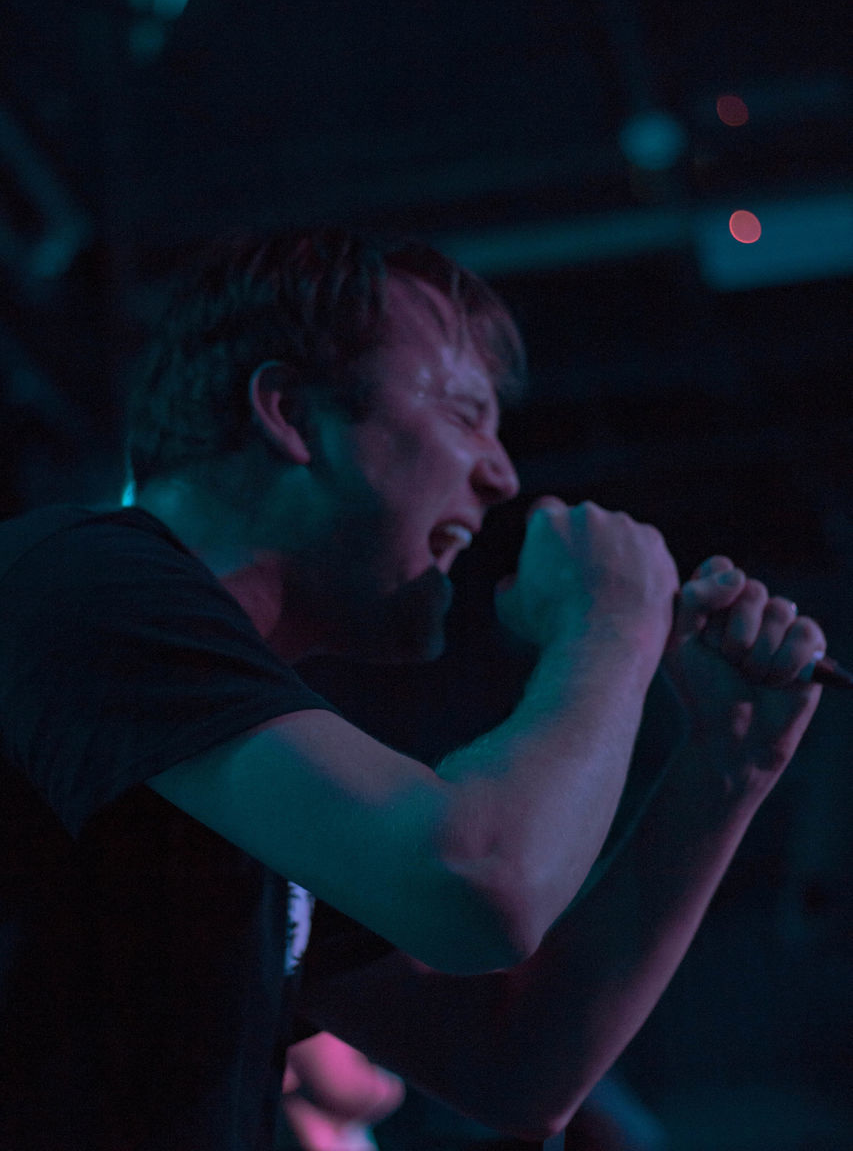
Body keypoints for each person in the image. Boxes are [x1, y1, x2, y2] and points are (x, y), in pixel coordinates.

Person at [0, 230, 827, 1150]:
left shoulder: (228, 760)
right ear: (288, 412)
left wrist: (726, 760)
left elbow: (514, 1064)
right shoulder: (80, 584)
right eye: (465, 414)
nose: (502, 474)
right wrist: (611, 623)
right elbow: (479, 887)